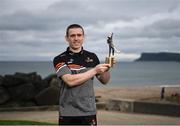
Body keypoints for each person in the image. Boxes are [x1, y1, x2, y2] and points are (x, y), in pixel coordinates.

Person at [53, 24, 112, 125]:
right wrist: (94, 71)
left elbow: (104, 81)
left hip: (89, 111)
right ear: (66, 38)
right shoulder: (59, 58)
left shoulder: (92, 57)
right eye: (72, 36)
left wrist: (107, 68)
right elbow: (70, 81)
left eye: (79, 35)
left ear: (84, 37)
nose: (76, 38)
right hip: (68, 112)